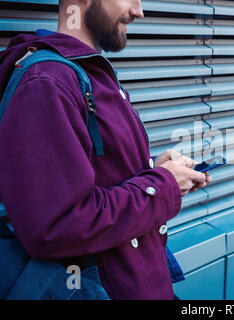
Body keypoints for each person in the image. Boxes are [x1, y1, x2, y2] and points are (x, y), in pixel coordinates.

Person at [0, 0, 211, 299]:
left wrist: (156, 171)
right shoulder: (47, 83)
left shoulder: (87, 73)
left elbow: (100, 179)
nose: (139, 11)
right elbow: (57, 225)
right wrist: (163, 184)